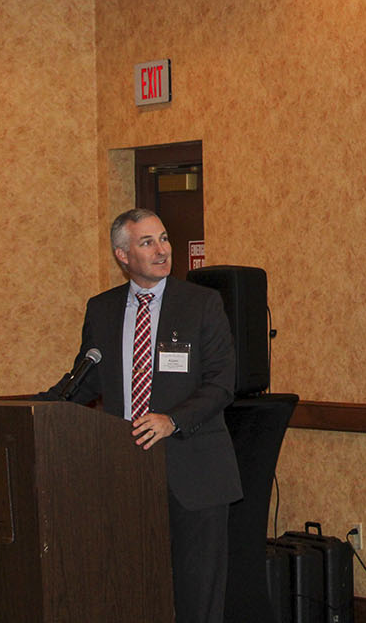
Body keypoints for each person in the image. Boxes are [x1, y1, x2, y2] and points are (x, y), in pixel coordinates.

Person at [43, 208, 242, 623]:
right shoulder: (102, 309)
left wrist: (173, 419)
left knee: (197, 594)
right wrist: (31, 410)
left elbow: (222, 383)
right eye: (147, 242)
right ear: (122, 254)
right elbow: (87, 381)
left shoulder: (202, 304)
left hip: (195, 470)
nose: (162, 249)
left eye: (164, 238)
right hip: (125, 471)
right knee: (132, 587)